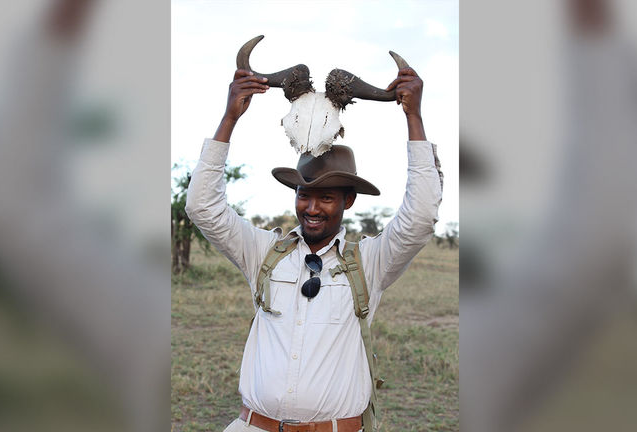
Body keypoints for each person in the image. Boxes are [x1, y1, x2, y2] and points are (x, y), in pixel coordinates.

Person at [185, 66, 443, 432]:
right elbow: (201, 207)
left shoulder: (369, 262)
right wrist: (229, 119)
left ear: (348, 202)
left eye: (325, 197)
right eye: (304, 195)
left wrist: (413, 118)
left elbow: (419, 219)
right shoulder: (263, 252)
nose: (312, 208)